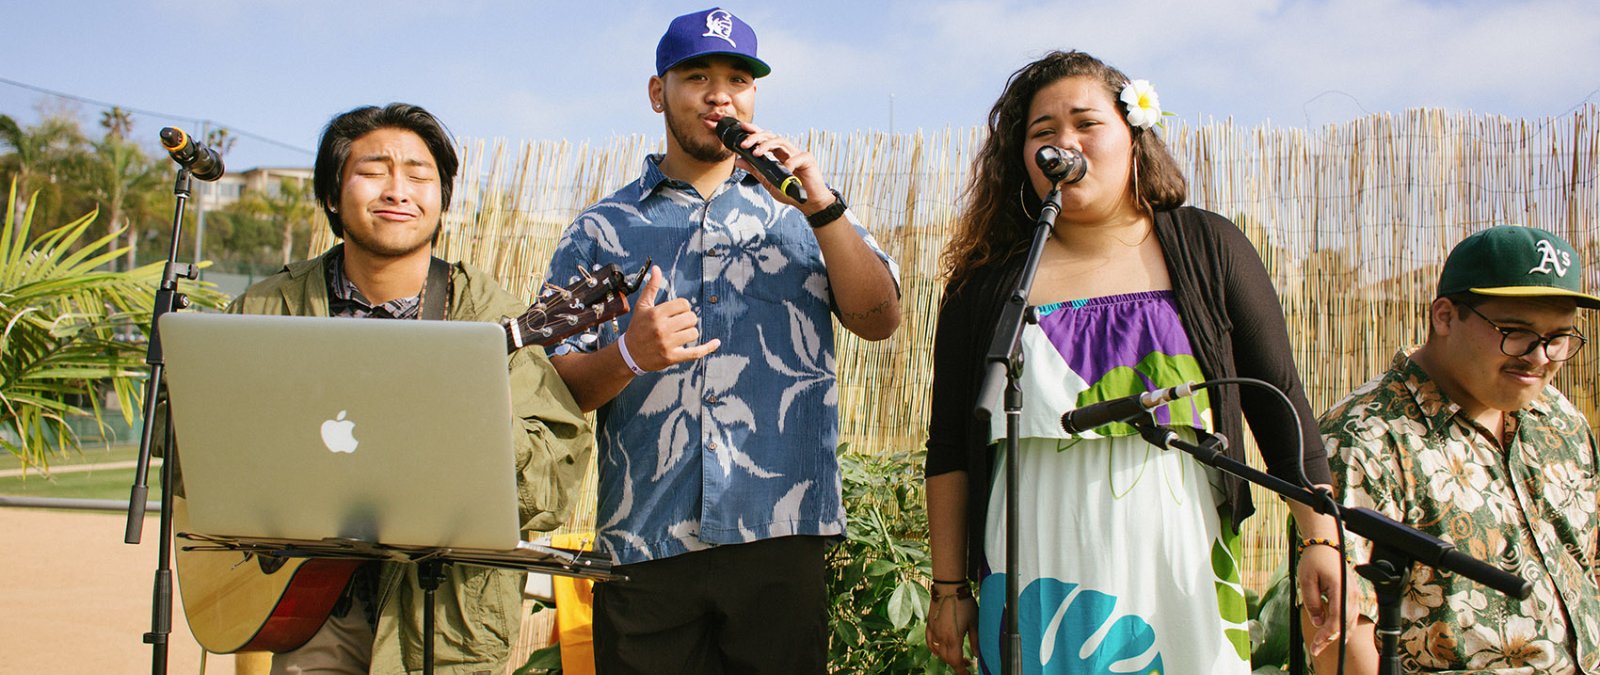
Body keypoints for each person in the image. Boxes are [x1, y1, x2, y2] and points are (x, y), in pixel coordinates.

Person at [923, 50, 1352, 674]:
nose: (1061, 143)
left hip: (1179, 557)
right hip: (1034, 567)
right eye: (1041, 133)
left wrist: (1320, 536)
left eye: (1085, 123)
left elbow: (1276, 397)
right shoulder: (986, 286)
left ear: (1133, 136)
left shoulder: (1210, 247)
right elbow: (950, 449)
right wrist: (950, 588)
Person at [540, 7, 902, 674]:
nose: (720, 93)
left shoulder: (807, 212)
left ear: (754, 97)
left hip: (780, 531)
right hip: (645, 541)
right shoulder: (600, 230)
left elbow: (880, 318)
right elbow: (555, 386)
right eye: (697, 75)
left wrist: (822, 208)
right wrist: (627, 356)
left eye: (738, 78)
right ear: (658, 93)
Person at [224, 103, 592, 674]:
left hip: (443, 619)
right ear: (331, 194)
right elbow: (196, 450)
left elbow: (553, 474)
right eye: (374, 171)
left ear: (442, 201)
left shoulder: (486, 313)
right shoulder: (267, 308)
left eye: (420, 177)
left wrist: (464, 424)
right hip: (306, 601)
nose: (399, 190)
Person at [1311, 225, 1600, 674]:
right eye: (1516, 332)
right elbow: (1339, 637)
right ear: (1444, 316)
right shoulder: (1364, 437)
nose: (1540, 357)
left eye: (1559, 338)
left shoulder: (1559, 420)